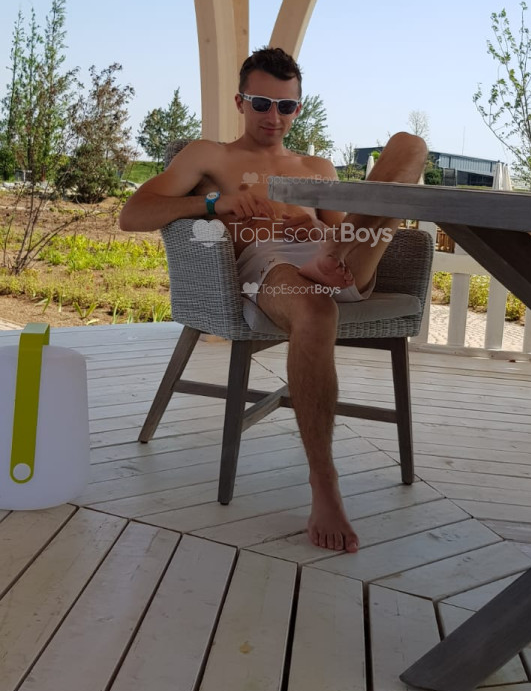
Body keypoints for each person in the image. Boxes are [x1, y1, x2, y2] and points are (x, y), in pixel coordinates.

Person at [120, 47, 427, 553]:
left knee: (410, 146)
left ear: (298, 109)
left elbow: (350, 223)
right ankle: (324, 483)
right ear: (240, 102)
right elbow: (133, 214)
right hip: (269, 264)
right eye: (261, 104)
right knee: (316, 309)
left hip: (336, 256)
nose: (273, 117)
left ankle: (328, 256)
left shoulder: (317, 167)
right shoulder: (210, 156)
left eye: (286, 107)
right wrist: (217, 202)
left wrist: (318, 231)